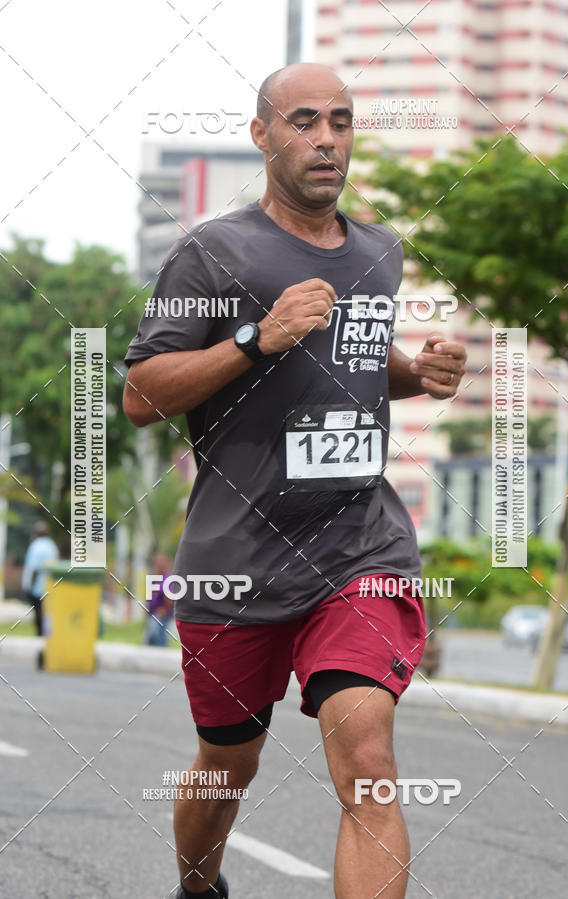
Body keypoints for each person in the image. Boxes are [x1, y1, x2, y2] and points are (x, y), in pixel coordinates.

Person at [123, 63, 467, 899]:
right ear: (262, 135)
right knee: (226, 764)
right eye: (305, 121)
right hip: (235, 560)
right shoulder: (214, 252)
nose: (326, 140)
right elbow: (140, 395)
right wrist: (255, 339)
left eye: (341, 122)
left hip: (359, 548)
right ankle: (199, 887)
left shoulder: (380, 251)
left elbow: (353, 360)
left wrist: (419, 373)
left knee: (369, 754)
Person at [21, 521, 59, 636]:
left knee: (38, 615)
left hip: (37, 588)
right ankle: (47, 637)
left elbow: (34, 569)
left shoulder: (36, 546)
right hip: (50, 587)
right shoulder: (52, 546)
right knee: (47, 615)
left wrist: (29, 586)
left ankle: (40, 637)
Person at [145, 553, 174, 646]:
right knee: (151, 641)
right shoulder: (156, 578)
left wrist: (165, 609)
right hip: (154, 615)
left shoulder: (167, 578)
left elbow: (170, 596)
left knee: (158, 642)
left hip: (160, 617)